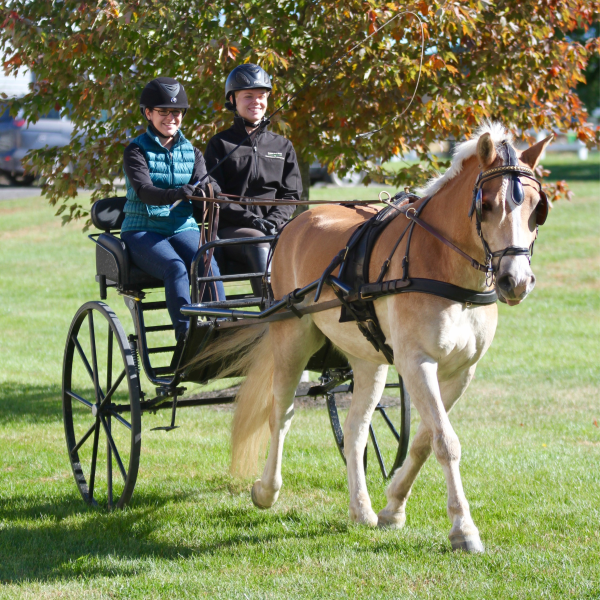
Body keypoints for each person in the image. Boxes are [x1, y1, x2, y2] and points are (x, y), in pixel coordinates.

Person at [121, 77, 225, 341]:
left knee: (207, 262)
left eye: (176, 112)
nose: (171, 118)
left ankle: (222, 329)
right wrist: (177, 193)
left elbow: (204, 181)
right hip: (143, 230)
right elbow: (144, 191)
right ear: (148, 113)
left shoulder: (193, 153)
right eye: (163, 112)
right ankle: (187, 336)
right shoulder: (135, 150)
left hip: (181, 226)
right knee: (175, 268)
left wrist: (210, 191)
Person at [204, 63, 302, 296]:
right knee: (260, 240)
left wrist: (274, 220)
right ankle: (270, 308)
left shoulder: (283, 145)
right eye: (248, 96)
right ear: (233, 100)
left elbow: (292, 195)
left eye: (261, 96)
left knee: (312, 233)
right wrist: (251, 220)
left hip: (275, 225)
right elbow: (215, 195)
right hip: (234, 228)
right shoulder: (219, 145)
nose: (256, 102)